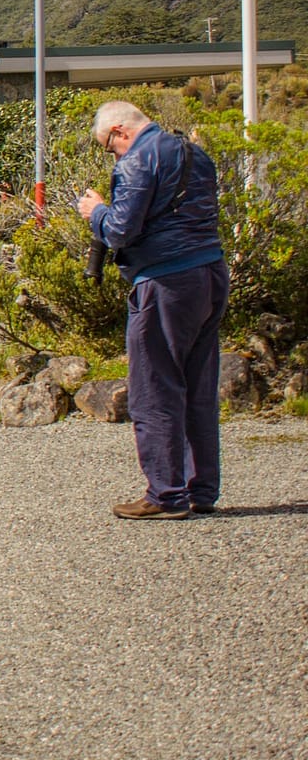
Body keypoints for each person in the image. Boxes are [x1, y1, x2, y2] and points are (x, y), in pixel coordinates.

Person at [77, 101, 227, 521]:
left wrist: (96, 212)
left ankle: (166, 494)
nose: (113, 155)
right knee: (198, 384)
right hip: (210, 272)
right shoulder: (196, 154)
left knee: (155, 387)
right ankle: (202, 489)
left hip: (165, 281)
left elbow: (121, 229)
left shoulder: (138, 160)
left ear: (120, 131)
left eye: (109, 147)